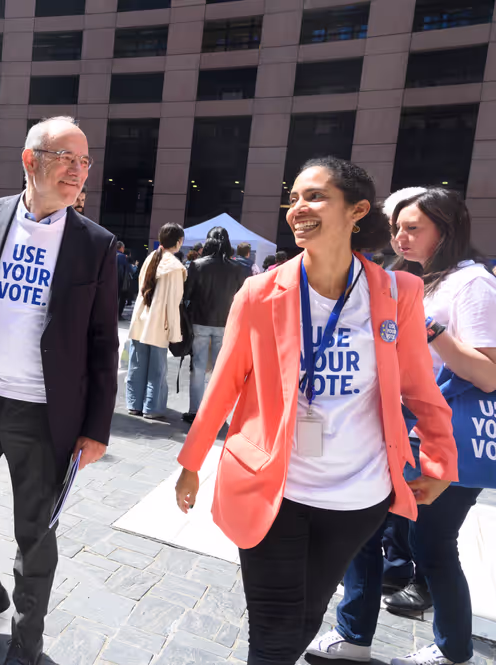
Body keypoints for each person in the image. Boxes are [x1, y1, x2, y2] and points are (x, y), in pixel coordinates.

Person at [174, 156, 458, 665]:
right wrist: (190, 462)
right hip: (274, 486)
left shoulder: (399, 292)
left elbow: (420, 388)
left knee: (305, 616)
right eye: (294, 198)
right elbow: (223, 385)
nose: (297, 208)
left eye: (314, 196)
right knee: (274, 628)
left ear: (358, 210)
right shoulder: (261, 292)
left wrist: (440, 461)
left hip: (359, 496)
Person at [0, 116, 118, 665]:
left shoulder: (96, 245)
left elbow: (104, 342)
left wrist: (96, 427)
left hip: (45, 413)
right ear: (31, 159)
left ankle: (26, 640)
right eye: (66, 158)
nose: (78, 171)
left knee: (35, 534)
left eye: (85, 162)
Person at [308, 187, 495, 665]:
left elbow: (489, 374)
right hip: (403, 431)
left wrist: (431, 331)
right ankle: (353, 637)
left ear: (445, 231)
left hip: (443, 436)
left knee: (430, 544)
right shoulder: (420, 278)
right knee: (367, 532)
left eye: (414, 228)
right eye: (398, 228)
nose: (401, 236)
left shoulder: (472, 283)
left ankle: (452, 650)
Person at [182, 226, 249, 424]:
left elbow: (187, 295)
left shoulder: (197, 265)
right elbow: (241, 298)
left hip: (200, 320)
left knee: (198, 367)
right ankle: (217, 412)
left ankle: (195, 411)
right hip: (226, 323)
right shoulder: (238, 268)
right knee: (221, 371)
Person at [126, 223, 185, 420]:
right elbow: (173, 303)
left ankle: (134, 404)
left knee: (137, 365)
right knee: (156, 369)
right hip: (159, 323)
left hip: (140, 318)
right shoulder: (175, 267)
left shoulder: (150, 258)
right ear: (178, 242)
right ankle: (152, 407)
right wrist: (175, 332)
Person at [116, 241, 131, 319]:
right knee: (121, 299)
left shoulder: (110, 254)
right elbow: (126, 270)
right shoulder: (123, 257)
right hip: (120, 281)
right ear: (121, 248)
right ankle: (118, 315)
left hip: (109, 282)